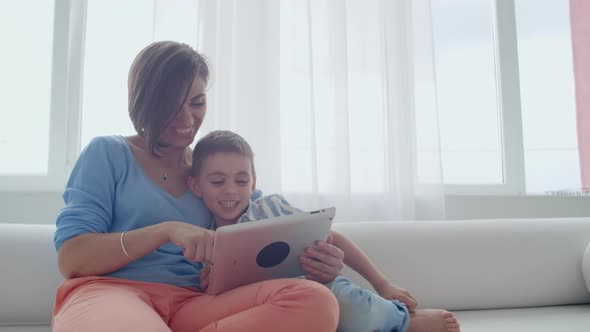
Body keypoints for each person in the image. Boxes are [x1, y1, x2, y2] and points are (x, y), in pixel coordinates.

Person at [52, 41, 340, 332]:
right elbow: (72, 259)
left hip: (192, 304)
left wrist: (316, 259)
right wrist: (166, 230)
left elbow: (266, 232)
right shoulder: (108, 152)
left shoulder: (210, 172)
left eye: (197, 102)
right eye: (172, 106)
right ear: (145, 103)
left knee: (315, 300)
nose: (187, 119)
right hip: (110, 292)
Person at [188, 130, 462, 332]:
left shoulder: (268, 208)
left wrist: (383, 284)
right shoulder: (203, 236)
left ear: (253, 183)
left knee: (348, 306)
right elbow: (218, 295)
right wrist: (210, 283)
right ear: (196, 186)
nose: (230, 190)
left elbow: (334, 237)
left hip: (318, 287)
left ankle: (404, 321)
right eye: (217, 181)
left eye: (241, 180)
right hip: (277, 307)